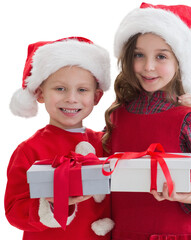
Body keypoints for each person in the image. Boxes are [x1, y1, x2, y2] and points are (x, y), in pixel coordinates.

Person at [103, 3, 191, 240]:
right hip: (124, 233)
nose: (148, 66)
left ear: (180, 62)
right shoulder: (116, 115)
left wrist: (187, 194)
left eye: (161, 56)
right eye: (139, 55)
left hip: (177, 234)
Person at [5, 37, 114, 240]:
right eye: (60, 88)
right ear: (40, 93)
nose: (71, 98)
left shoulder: (106, 143)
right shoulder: (30, 150)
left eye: (82, 90)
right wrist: (53, 204)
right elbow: (13, 211)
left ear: (96, 97)